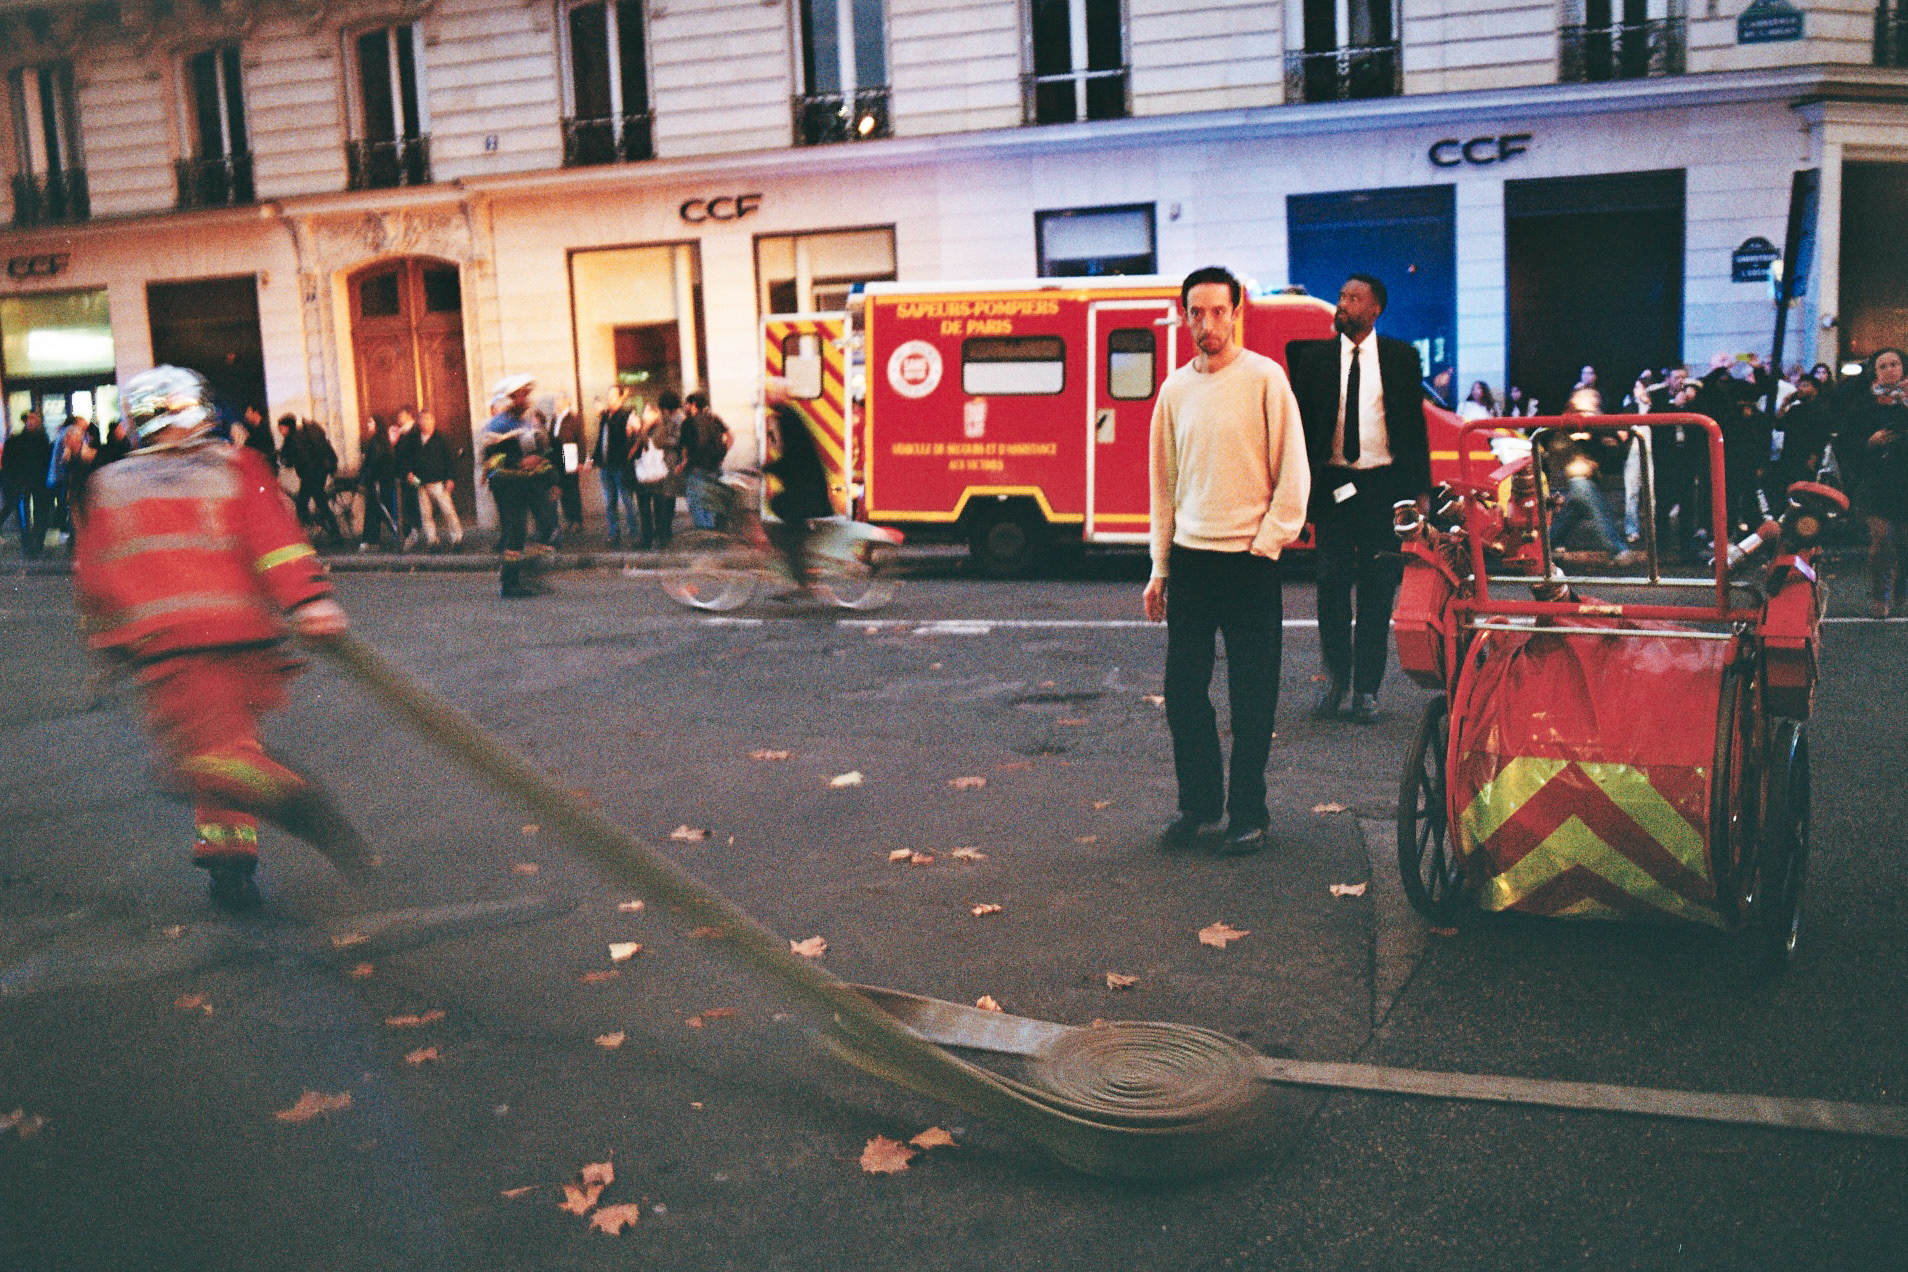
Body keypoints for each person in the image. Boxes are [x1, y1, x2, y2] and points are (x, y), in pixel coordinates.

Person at [71, 365, 372, 912]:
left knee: (191, 763)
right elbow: (276, 539)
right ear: (197, 408)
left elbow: (95, 573)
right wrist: (307, 599)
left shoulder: (107, 485)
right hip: (244, 639)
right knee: (226, 751)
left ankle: (293, 799)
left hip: (170, 647)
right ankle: (230, 865)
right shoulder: (235, 465)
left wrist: (106, 643)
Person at [1143, 266, 1309, 855]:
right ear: (1183, 314)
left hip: (1249, 563)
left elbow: (1293, 471)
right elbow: (1164, 485)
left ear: (1237, 310)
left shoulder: (1266, 379)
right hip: (1190, 561)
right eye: (1196, 313)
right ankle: (1199, 804)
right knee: (1183, 691)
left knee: (1252, 695)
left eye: (1217, 311)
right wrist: (1159, 567)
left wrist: (1266, 543)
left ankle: (1248, 812)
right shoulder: (1174, 390)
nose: (1206, 324)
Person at [1288, 273, 1431, 724]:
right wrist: (1297, 492)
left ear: (1375, 310)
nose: (1343, 303)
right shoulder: (1313, 360)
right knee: (1331, 584)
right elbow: (1301, 429)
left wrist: (1419, 492)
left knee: (1376, 590)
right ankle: (1335, 682)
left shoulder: (1401, 358)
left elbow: (1414, 426)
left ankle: (1366, 690)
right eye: (1341, 296)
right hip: (1333, 486)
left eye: (1353, 298)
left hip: (1383, 488)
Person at [1836, 348, 1908, 617]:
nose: (1890, 369)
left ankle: (1902, 586)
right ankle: (1880, 595)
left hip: (1904, 476)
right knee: (1881, 538)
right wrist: (1870, 441)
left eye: (1895, 364)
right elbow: (1845, 441)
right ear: (1875, 372)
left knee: (1904, 542)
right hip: (1875, 478)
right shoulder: (1863, 403)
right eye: (1883, 366)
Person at [481, 373, 560, 597]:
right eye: (520, 395)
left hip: (531, 485)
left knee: (547, 527)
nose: (525, 399)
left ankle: (528, 571)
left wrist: (552, 480)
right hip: (508, 486)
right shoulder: (497, 426)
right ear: (510, 399)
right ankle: (510, 583)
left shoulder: (528, 423)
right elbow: (490, 459)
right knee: (516, 533)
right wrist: (517, 462)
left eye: (526, 394)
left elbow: (544, 454)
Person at [763, 379, 832, 592]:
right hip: (807, 487)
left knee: (785, 521)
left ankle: (804, 579)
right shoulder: (787, 416)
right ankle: (801, 565)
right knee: (781, 511)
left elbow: (794, 457)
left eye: (770, 393)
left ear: (780, 395)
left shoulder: (787, 419)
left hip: (807, 491)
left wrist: (765, 469)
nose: (766, 397)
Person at [278, 414, 341, 544]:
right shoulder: (297, 436)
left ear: (287, 427)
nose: (280, 431)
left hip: (312, 476)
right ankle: (328, 531)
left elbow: (291, 459)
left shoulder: (294, 439)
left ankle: (332, 533)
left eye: (281, 428)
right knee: (317, 502)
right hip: (316, 474)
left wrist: (283, 460)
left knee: (303, 504)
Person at [406, 409, 463, 551]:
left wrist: (450, 478)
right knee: (425, 513)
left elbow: (450, 459)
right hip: (420, 481)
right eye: (422, 419)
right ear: (418, 422)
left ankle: (457, 538)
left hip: (438, 481)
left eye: (428, 419)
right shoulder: (414, 440)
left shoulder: (442, 438)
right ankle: (432, 540)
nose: (425, 422)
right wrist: (409, 473)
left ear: (433, 421)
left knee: (447, 510)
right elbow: (408, 458)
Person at [2, 410, 54, 557]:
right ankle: (29, 546)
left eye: (34, 419)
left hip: (39, 485)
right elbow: (9, 465)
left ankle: (37, 545)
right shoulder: (15, 441)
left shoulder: (42, 440)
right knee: (25, 517)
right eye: (29, 419)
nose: (32, 422)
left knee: (39, 515)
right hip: (23, 485)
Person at [593, 385, 639, 547]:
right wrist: (594, 458)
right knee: (609, 502)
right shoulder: (606, 417)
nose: (609, 400)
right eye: (608, 397)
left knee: (627, 501)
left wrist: (605, 416)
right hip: (606, 466)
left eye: (613, 397)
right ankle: (614, 533)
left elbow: (621, 436)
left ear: (621, 398)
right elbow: (601, 439)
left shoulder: (626, 415)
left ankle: (635, 533)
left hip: (621, 466)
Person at [681, 390, 733, 530]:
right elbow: (730, 436)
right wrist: (722, 454)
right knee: (711, 500)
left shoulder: (688, 423)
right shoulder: (714, 418)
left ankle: (705, 531)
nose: (685, 406)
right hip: (715, 466)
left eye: (687, 403)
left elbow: (685, 448)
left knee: (695, 502)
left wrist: (684, 462)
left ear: (693, 404)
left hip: (696, 468)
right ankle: (713, 529)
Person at [640, 390, 686, 547]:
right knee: (665, 497)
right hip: (663, 461)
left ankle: (665, 531)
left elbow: (679, 440)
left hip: (671, 461)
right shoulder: (665, 420)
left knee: (668, 497)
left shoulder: (679, 419)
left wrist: (664, 440)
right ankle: (664, 532)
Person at [358, 413, 406, 550]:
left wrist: (364, 480)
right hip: (379, 481)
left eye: (370, 422)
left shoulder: (377, 442)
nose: (368, 425)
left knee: (384, 510)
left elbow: (373, 464)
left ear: (377, 425)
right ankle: (371, 540)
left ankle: (401, 534)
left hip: (379, 482)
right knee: (375, 511)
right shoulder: (378, 441)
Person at [551, 393, 586, 536]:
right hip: (557, 457)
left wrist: (581, 461)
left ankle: (577, 521)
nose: (555, 403)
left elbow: (581, 439)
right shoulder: (555, 419)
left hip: (570, 454)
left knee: (572, 489)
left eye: (558, 400)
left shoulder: (573, 418)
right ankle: (569, 519)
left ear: (565, 402)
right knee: (562, 490)